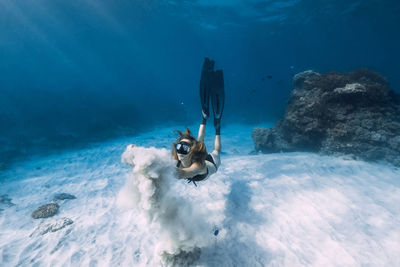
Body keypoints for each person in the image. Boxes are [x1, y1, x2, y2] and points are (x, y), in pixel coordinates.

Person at [172, 58, 225, 186]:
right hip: (198, 153)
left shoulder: (198, 165)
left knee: (216, 151)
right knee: (200, 141)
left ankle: (215, 125)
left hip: (212, 163)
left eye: (184, 148)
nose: (180, 151)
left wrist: (167, 171)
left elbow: (186, 173)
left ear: (191, 150)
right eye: (179, 147)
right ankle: (207, 120)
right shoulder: (179, 157)